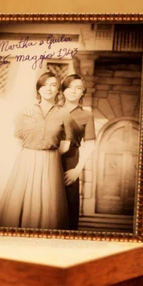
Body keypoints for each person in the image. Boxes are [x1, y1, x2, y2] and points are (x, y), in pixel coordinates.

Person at [0, 72, 73, 230]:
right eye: (44, 85)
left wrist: (47, 155)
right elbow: (18, 140)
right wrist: (31, 155)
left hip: (51, 162)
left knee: (48, 204)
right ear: (38, 89)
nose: (48, 88)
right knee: (19, 203)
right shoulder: (26, 111)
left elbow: (65, 145)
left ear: (58, 90)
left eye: (53, 85)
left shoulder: (64, 114)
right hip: (26, 161)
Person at [59, 74, 96, 230]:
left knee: (69, 203)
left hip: (71, 161)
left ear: (83, 92)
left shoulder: (87, 115)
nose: (73, 91)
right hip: (49, 158)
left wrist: (77, 170)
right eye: (69, 87)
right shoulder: (53, 110)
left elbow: (90, 144)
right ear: (63, 90)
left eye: (78, 88)